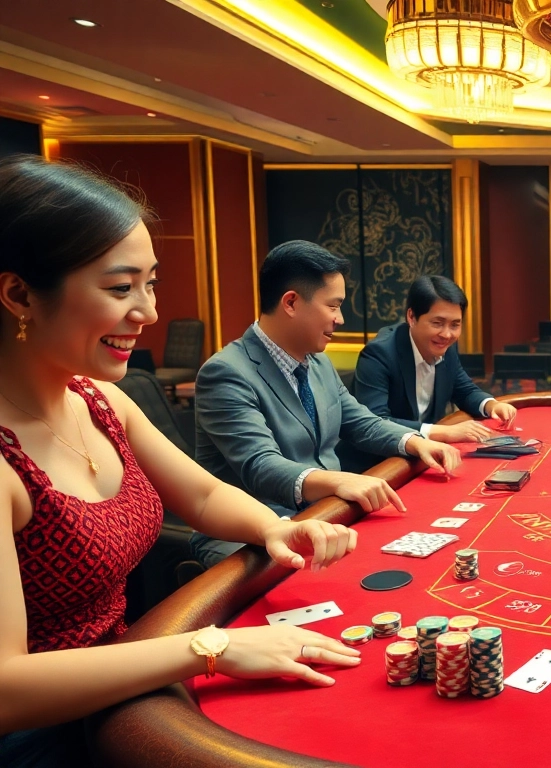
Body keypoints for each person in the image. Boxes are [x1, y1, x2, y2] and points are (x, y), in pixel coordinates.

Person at [0, 156, 362, 767]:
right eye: (120, 288)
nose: (147, 312)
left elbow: (201, 496)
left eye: (150, 283)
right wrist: (211, 647)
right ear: (19, 294)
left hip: (133, 678)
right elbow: (7, 689)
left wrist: (274, 526)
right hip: (43, 737)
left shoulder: (103, 400)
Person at [191, 241, 460, 568]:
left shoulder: (318, 364)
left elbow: (361, 421)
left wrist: (416, 441)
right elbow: (261, 466)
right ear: (291, 302)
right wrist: (340, 480)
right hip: (252, 539)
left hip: (326, 517)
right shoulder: (226, 372)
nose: (341, 318)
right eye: (333, 306)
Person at [338, 276, 517, 473]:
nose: (447, 334)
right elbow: (376, 421)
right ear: (411, 317)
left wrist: (492, 405)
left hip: (420, 460)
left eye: (455, 325)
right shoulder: (379, 354)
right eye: (437, 323)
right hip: (373, 468)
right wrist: (445, 432)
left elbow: (464, 390)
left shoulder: (445, 346)